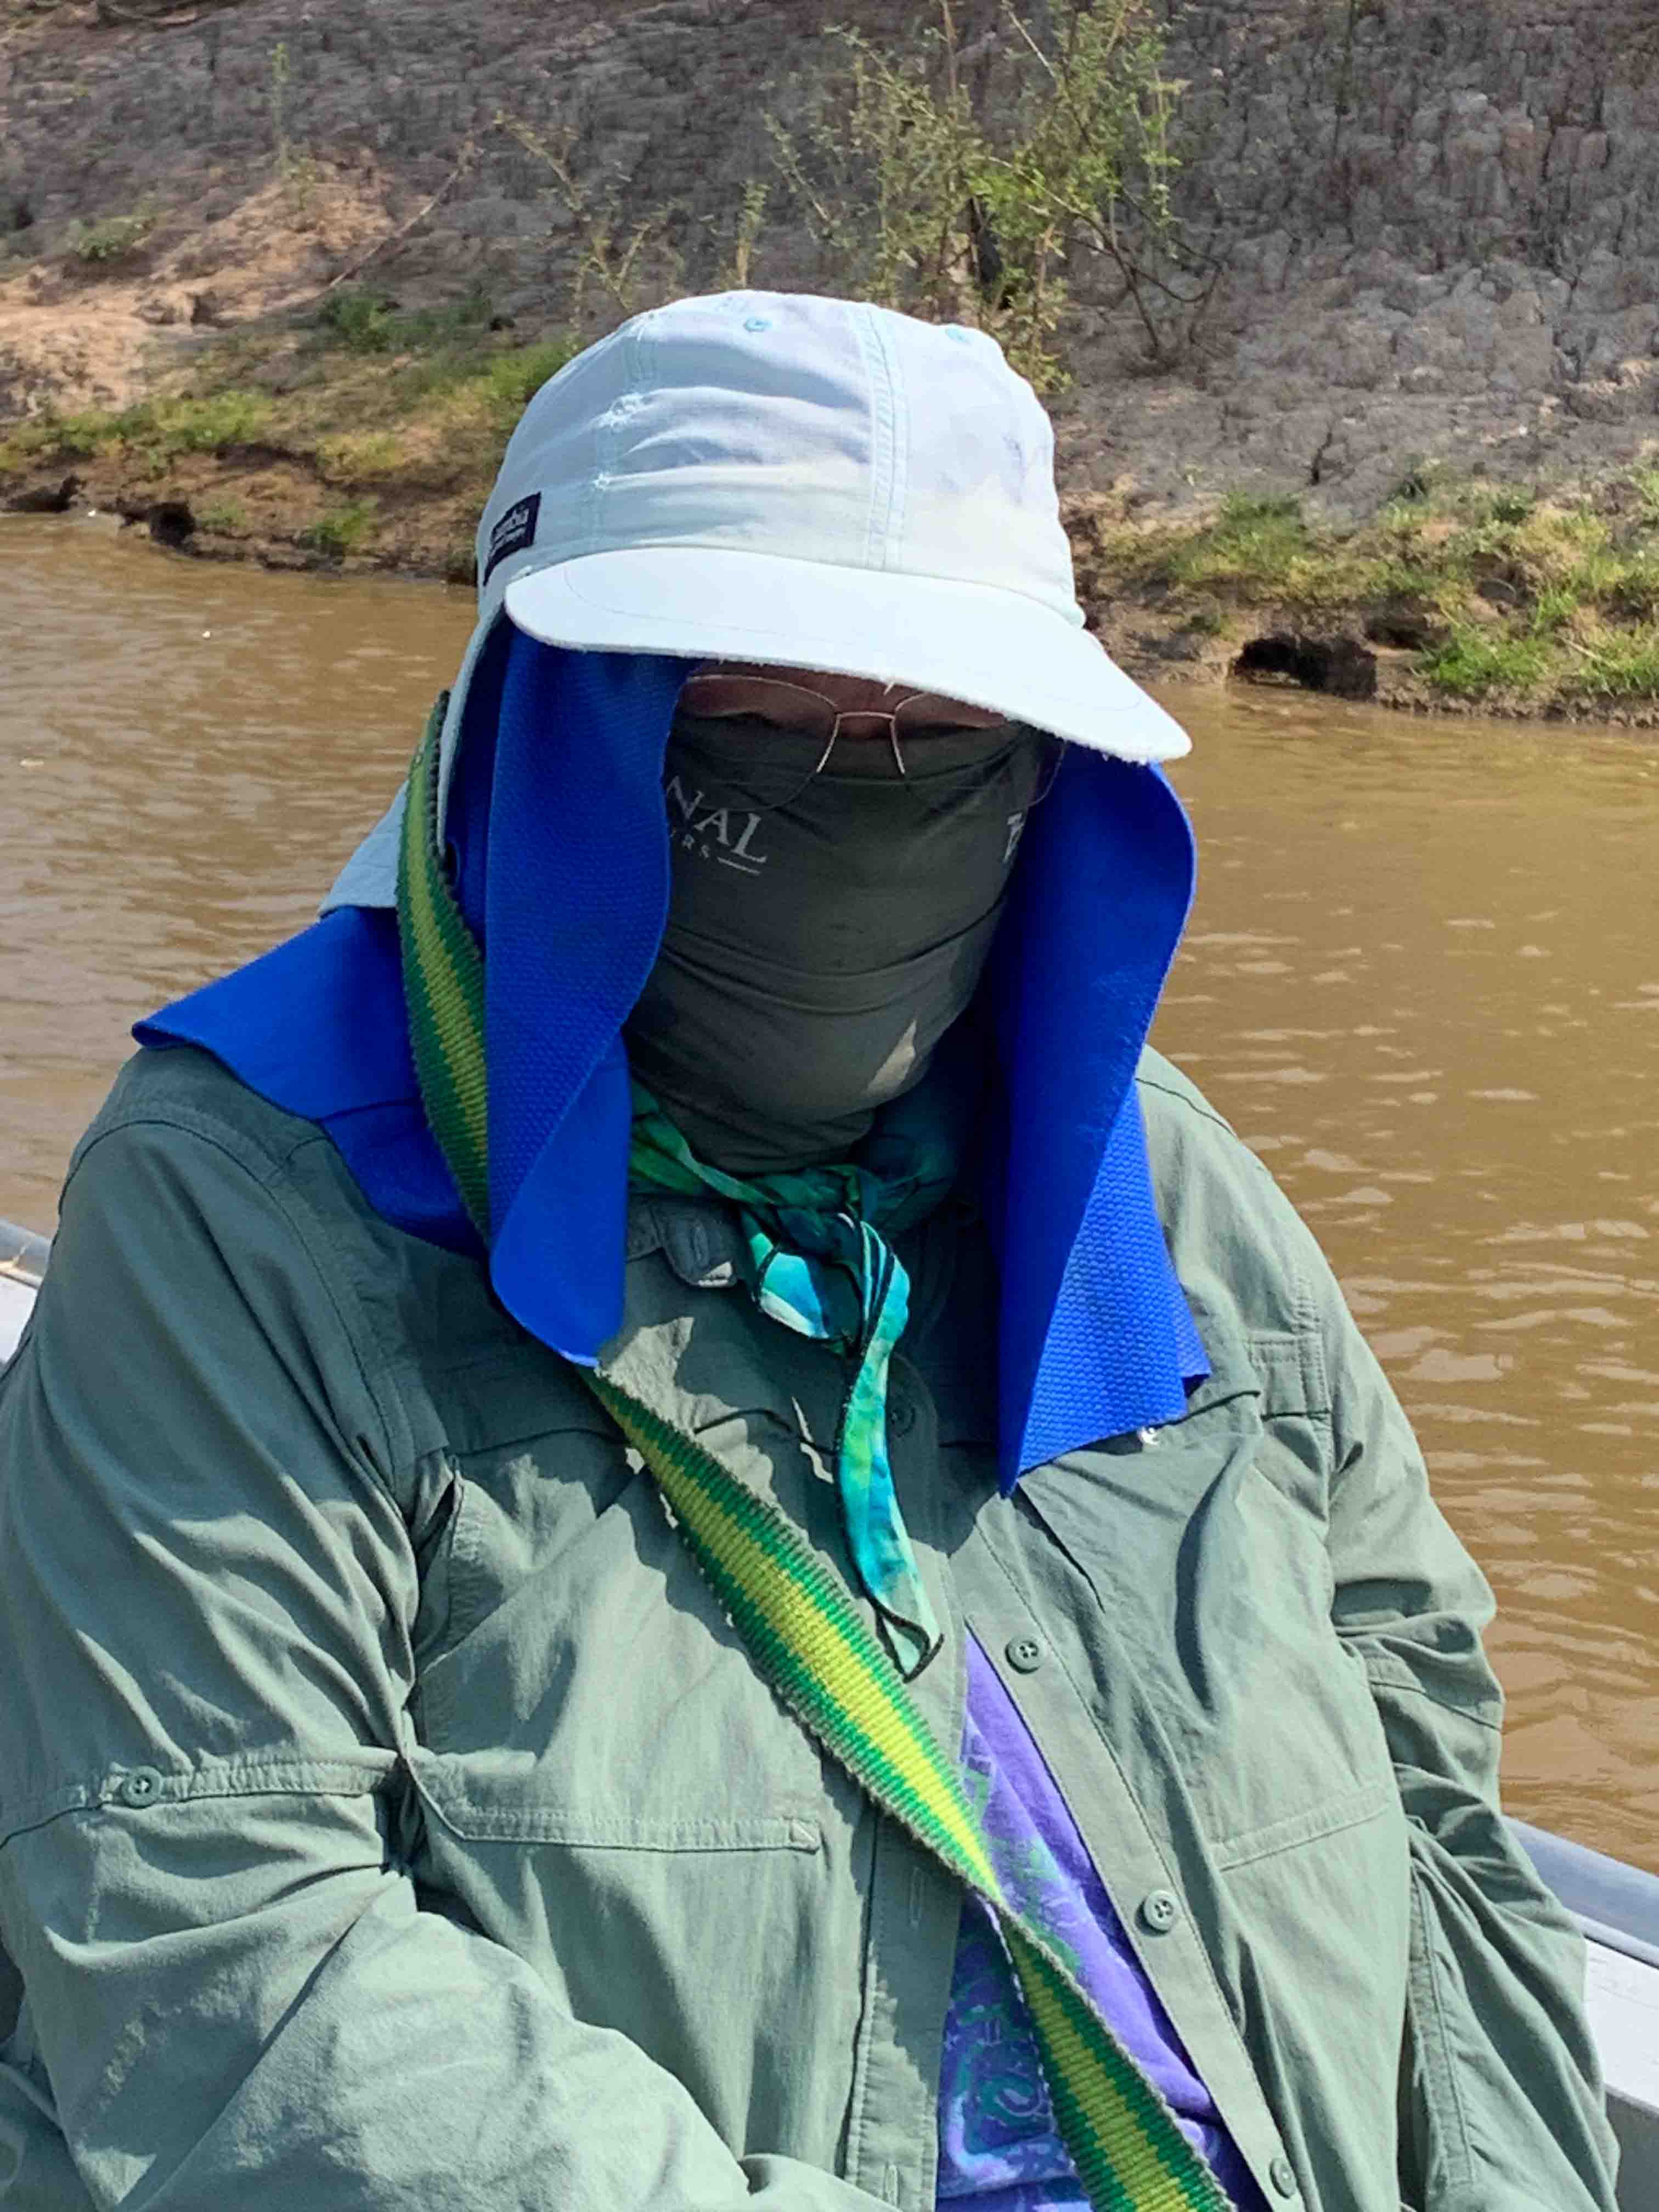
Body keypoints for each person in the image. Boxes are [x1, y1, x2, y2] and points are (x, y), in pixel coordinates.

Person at [0, 292, 1619, 2212]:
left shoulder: (1160, 1196)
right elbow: (224, 1966)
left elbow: (1428, 1763)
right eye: (761, 715)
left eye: (951, 728)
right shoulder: (253, 1211)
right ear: (551, 722)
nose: (873, 781)